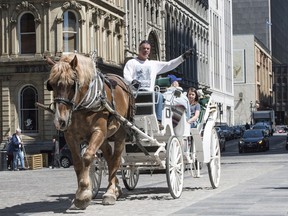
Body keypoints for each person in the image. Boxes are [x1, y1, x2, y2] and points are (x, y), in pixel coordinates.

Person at [123, 40, 193, 125]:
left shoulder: (153, 64)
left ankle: (158, 121)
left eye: (148, 49)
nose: (146, 50)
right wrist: (132, 81)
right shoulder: (131, 62)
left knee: (159, 96)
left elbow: (169, 64)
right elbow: (126, 75)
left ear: (150, 51)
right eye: (144, 48)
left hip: (149, 94)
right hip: (134, 93)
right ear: (139, 49)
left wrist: (182, 57)